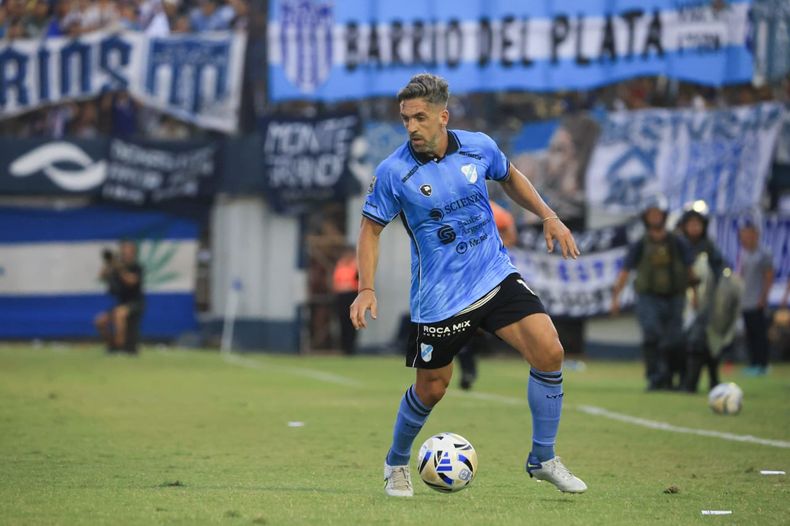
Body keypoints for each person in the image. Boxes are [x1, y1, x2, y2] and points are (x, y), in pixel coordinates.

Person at [350, 73, 586, 497]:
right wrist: (366, 287)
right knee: (432, 388)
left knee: (549, 350)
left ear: (444, 116)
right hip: (440, 299)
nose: (411, 128)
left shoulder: (479, 146)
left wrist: (548, 215)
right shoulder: (393, 173)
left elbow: (511, 176)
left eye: (420, 118)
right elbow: (370, 231)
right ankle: (396, 463)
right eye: (405, 119)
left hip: (493, 274)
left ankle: (543, 458)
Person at [611, 197, 695, 391]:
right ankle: (655, 378)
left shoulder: (678, 242)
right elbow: (625, 272)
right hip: (649, 297)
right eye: (651, 214)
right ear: (645, 218)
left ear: (664, 216)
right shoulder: (640, 244)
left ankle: (677, 377)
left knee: (676, 339)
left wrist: (695, 295)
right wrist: (615, 298)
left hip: (675, 297)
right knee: (652, 335)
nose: (655, 217)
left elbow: (691, 271)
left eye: (658, 214)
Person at [455, 200, 517, 391]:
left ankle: (471, 358)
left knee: (470, 328)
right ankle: (468, 366)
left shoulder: (496, 213)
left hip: (486, 276)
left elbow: (510, 238)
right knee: (462, 328)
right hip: (464, 276)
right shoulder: (463, 209)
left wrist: (490, 249)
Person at [676, 202, 726, 392]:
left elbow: (720, 271)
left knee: (707, 341)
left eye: (698, 224)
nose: (694, 227)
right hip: (681, 300)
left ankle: (711, 379)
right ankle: (686, 381)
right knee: (683, 342)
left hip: (705, 301)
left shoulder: (709, 247)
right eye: (691, 223)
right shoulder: (678, 244)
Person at [737, 220, 774, 375]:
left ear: (756, 235)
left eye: (748, 235)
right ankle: (753, 363)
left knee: (760, 334)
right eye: (743, 236)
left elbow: (768, 276)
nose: (745, 238)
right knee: (750, 334)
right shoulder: (744, 254)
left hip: (757, 301)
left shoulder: (764, 253)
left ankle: (763, 364)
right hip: (746, 301)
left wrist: (763, 297)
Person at [94, 241, 145, 354]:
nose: (125, 253)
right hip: (121, 303)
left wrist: (119, 269)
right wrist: (109, 264)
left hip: (136, 303)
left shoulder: (137, 267)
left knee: (119, 314)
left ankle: (121, 347)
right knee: (100, 321)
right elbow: (101, 277)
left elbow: (131, 281)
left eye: (128, 251)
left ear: (133, 253)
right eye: (124, 251)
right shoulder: (117, 266)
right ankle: (112, 346)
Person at [332, 245, 359, 355]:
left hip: (352, 296)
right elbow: (335, 281)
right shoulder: (340, 264)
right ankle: (344, 348)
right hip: (341, 297)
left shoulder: (356, 265)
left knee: (352, 322)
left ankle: (351, 348)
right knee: (342, 322)